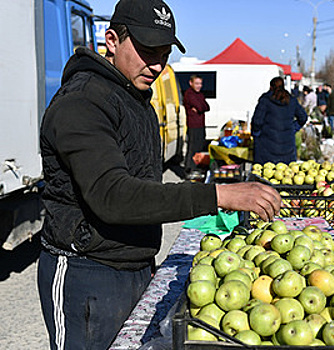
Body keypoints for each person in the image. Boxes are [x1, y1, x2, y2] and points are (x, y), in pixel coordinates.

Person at [37, 1, 281, 349]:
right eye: (147, 51)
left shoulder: (135, 100)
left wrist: (144, 261)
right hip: (85, 273)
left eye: (163, 53)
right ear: (111, 40)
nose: (156, 65)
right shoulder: (82, 103)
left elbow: (144, 186)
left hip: (130, 266)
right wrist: (218, 195)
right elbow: (114, 195)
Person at [251, 77, 308, 164]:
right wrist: (293, 128)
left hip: (266, 147)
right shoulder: (291, 100)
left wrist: (257, 134)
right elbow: (303, 117)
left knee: (265, 174)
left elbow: (257, 121)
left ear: (271, 87)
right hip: (287, 147)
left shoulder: (265, 100)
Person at [184, 74, 210, 175]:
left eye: (200, 84)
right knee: (192, 148)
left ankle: (196, 166)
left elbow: (206, 107)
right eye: (197, 83)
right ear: (191, 83)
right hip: (193, 125)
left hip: (201, 124)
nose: (199, 86)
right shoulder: (189, 94)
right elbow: (200, 107)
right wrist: (200, 107)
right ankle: (189, 169)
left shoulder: (200, 94)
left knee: (199, 147)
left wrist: (200, 107)